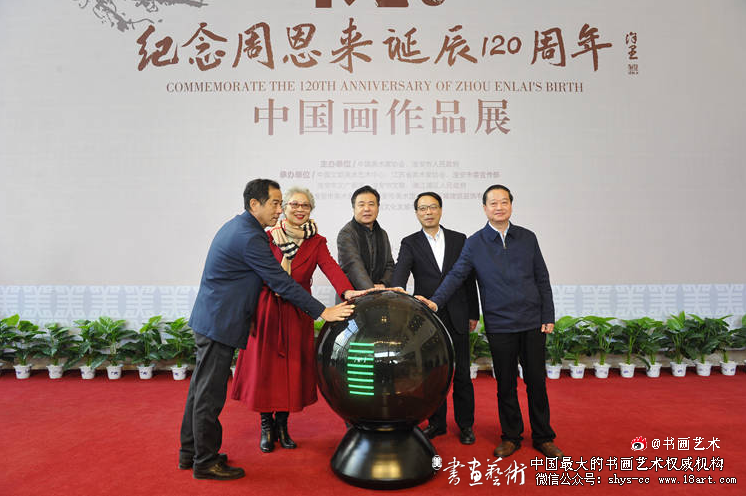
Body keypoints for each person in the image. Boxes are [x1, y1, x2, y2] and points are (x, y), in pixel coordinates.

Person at [179, 179, 354, 481]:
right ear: (254, 204)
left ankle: (190, 453)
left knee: (199, 391)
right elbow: (280, 282)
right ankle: (205, 462)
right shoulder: (251, 237)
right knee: (209, 396)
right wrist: (322, 311)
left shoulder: (241, 228)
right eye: (275, 203)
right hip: (220, 323)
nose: (279, 209)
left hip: (214, 320)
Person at [417, 185, 563, 459]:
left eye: (504, 202)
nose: (499, 207)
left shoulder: (528, 237)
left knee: (536, 383)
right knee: (505, 385)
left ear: (511, 205)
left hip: (532, 322)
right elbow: (456, 275)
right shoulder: (475, 243)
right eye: (493, 203)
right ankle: (511, 436)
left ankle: (544, 436)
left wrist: (548, 315)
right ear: (484, 208)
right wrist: (435, 302)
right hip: (500, 324)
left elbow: (542, 278)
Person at [231, 187, 365, 453]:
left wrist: (347, 291)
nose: (300, 210)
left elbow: (331, 267)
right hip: (267, 309)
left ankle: (283, 425)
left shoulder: (317, 241)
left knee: (289, 372)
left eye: (306, 206)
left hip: (298, 310)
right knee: (266, 370)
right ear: (284, 208)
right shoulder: (266, 237)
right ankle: (266, 426)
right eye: (294, 204)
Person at [391, 192, 480, 445]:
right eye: (422, 208)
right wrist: (397, 293)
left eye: (432, 207)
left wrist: (473, 313)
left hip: (459, 313)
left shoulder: (459, 239)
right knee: (433, 374)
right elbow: (400, 275)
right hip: (428, 318)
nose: (428, 212)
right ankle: (437, 423)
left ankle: (466, 425)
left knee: (462, 374)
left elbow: (469, 279)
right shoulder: (410, 242)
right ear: (417, 213)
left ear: (440, 210)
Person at [337, 185, 395, 291]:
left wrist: (383, 284)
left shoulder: (382, 234)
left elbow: (389, 265)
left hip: (380, 294)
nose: (367, 209)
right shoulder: (346, 233)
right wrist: (372, 290)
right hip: (354, 296)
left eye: (371, 204)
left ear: (378, 207)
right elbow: (354, 267)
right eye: (361, 205)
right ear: (354, 208)